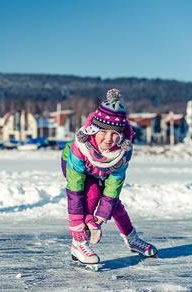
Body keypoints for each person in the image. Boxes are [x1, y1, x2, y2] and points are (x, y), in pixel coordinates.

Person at [61, 88, 157, 265]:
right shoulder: (80, 147)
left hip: (102, 170)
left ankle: (131, 239)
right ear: (92, 129)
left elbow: (113, 187)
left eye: (115, 133)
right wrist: (77, 223)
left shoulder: (122, 153)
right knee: (90, 192)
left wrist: (101, 216)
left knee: (113, 204)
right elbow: (74, 189)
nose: (108, 138)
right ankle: (78, 243)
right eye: (103, 131)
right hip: (75, 166)